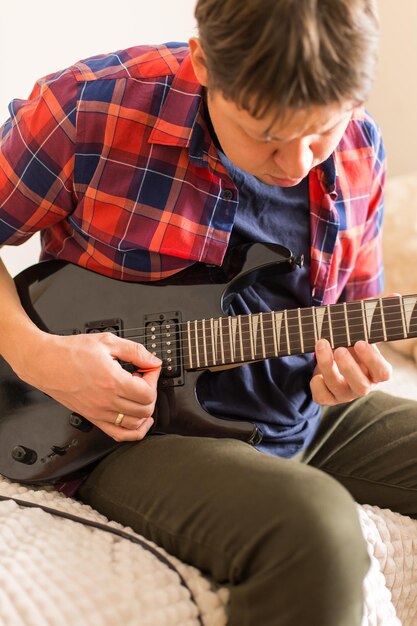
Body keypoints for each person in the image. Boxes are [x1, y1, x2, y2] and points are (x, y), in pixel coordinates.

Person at [1, 1, 416, 624]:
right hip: (130, 429)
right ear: (203, 64)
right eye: (268, 136)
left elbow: (352, 315)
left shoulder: (359, 147)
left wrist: (348, 370)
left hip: (300, 406)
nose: (298, 163)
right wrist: (38, 356)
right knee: (317, 528)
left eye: (321, 132)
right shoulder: (91, 105)